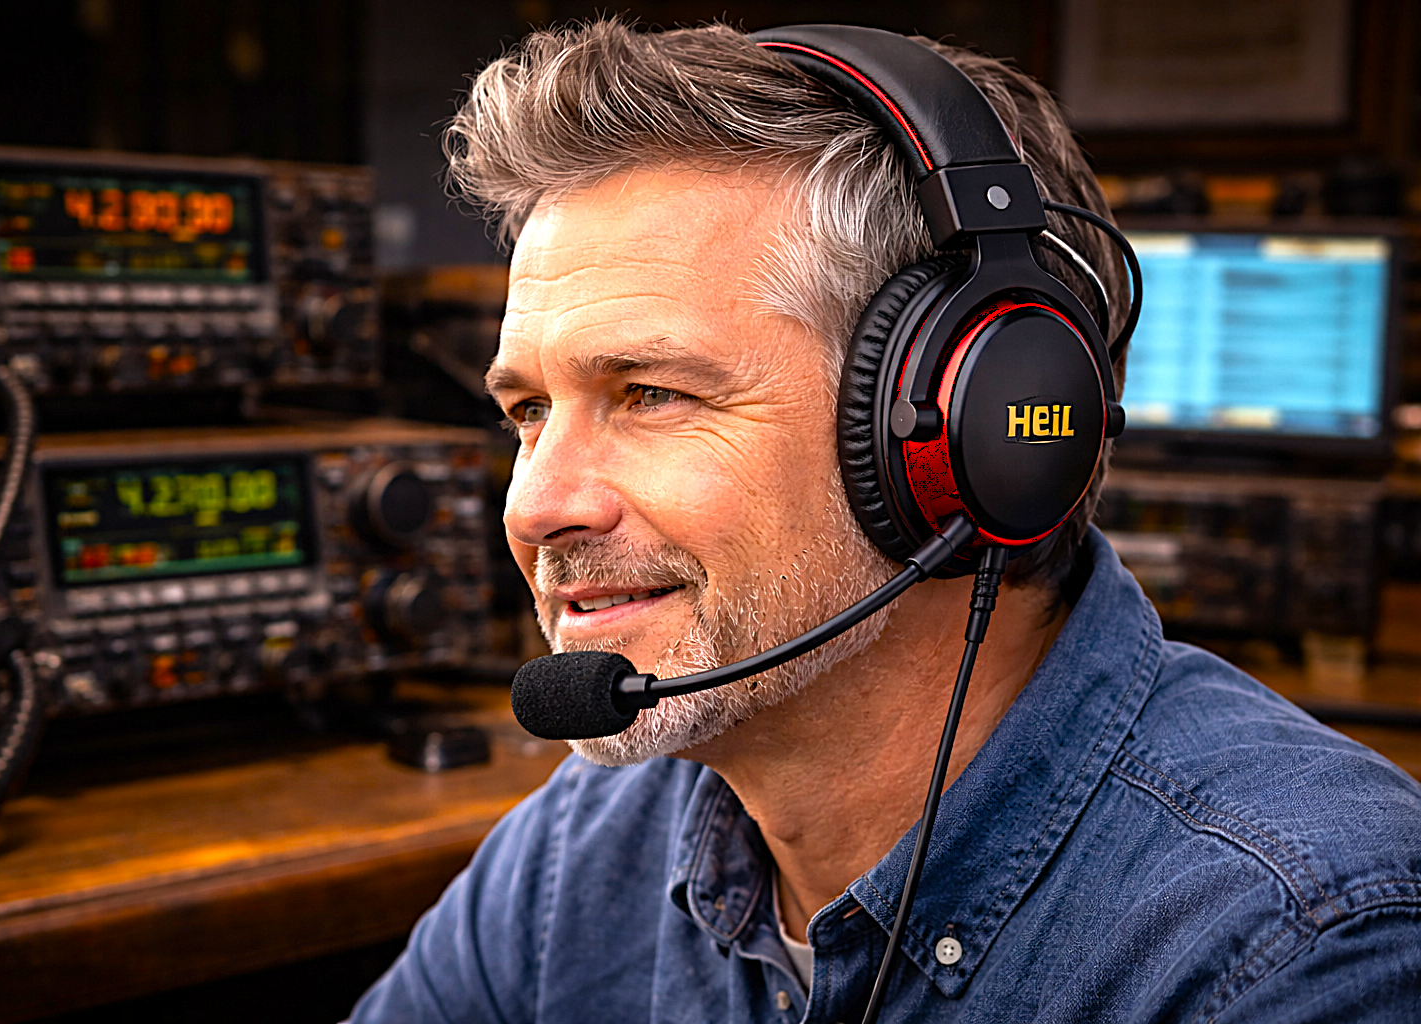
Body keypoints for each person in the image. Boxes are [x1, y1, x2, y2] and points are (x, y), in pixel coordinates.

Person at [351, 19, 1421, 1023]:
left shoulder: (1301, 944)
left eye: (650, 395)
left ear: (978, 436)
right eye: (529, 412)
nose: (537, 503)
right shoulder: (575, 856)